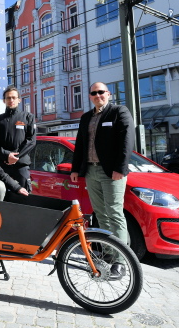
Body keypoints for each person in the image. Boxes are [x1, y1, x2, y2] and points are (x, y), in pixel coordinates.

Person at [70, 82, 135, 279]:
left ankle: (121, 262)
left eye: (101, 92)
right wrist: (75, 169)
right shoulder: (86, 117)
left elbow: (127, 141)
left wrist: (120, 169)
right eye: (94, 93)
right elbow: (80, 144)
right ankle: (108, 253)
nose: (98, 95)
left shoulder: (119, 112)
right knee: (101, 214)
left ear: (108, 94)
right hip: (91, 171)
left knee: (115, 213)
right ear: (90, 96)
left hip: (111, 173)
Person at [0, 86, 36, 202]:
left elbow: (31, 141)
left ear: (19, 99)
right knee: (0, 197)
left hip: (21, 165)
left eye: (14, 98)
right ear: (4, 100)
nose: (11, 100)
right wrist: (6, 155)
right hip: (2, 166)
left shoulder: (28, 117)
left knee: (24, 198)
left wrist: (16, 157)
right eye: (8, 98)